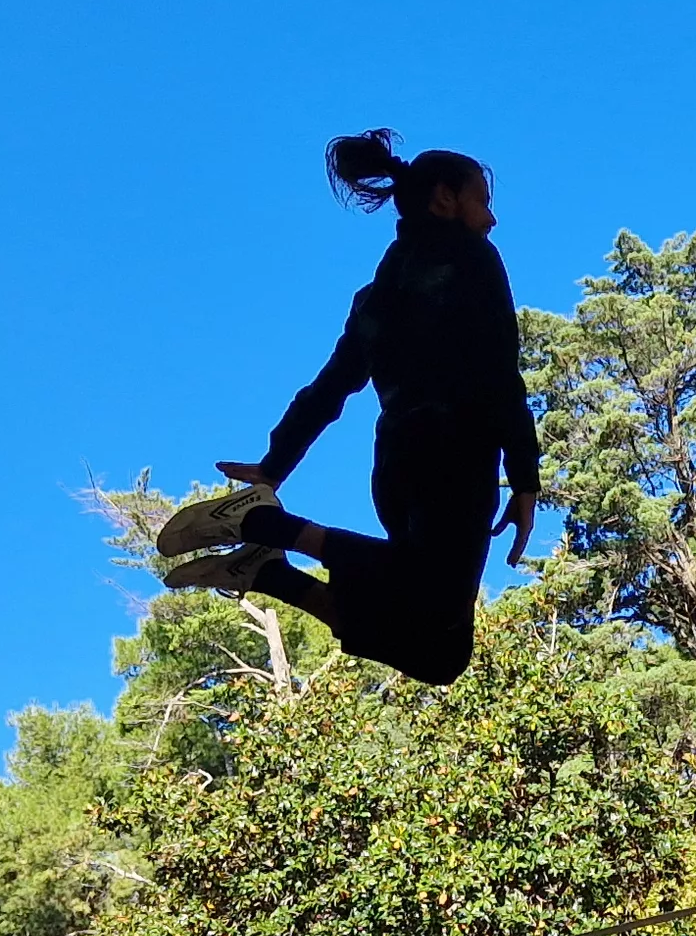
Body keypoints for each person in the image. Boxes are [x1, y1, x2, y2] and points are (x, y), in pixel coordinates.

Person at [153, 133, 541, 687]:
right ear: (444, 199)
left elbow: (332, 386)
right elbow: (502, 370)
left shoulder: (376, 297)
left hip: (397, 468)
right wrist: (524, 477)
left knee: (439, 653)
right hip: (456, 452)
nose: (492, 219)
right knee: (432, 600)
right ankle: (260, 523)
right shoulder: (473, 259)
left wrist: (275, 464)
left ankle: (267, 571)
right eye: (482, 200)